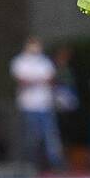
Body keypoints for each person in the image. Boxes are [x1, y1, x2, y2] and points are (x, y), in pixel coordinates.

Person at [10, 37, 65, 171]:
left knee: (50, 136)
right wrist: (39, 81)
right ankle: (31, 164)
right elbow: (22, 81)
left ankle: (55, 164)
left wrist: (33, 81)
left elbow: (50, 79)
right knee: (31, 136)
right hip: (28, 105)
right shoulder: (20, 61)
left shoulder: (44, 61)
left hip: (44, 104)